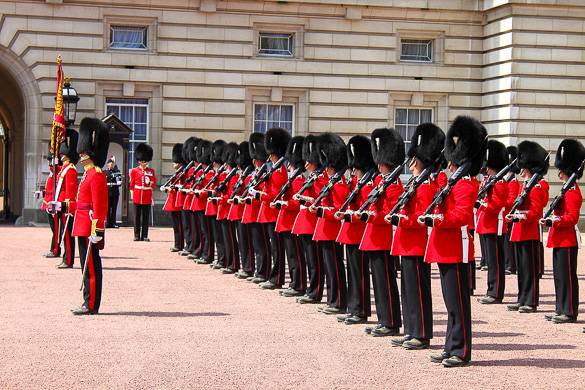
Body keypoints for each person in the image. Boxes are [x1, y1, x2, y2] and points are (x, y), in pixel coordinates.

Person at [423, 115, 486, 367]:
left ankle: (461, 350)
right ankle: (450, 346)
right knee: (449, 302)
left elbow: (460, 215)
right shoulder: (449, 182)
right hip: (443, 246)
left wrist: (437, 220)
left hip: (456, 247)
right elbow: (435, 196)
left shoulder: (467, 185)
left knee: (458, 303)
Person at [389, 123, 444, 349]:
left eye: (414, 161)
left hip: (417, 242)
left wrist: (402, 220)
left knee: (418, 291)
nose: (411, 165)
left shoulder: (426, 186)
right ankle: (411, 329)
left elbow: (421, 216)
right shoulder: (415, 182)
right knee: (408, 290)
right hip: (406, 242)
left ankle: (421, 333)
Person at [360, 128, 404, 337]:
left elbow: (388, 212)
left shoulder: (393, 184)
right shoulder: (379, 181)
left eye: (382, 161)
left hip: (382, 237)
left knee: (386, 281)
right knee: (377, 283)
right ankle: (382, 319)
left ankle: (391, 322)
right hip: (372, 237)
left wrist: (371, 216)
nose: (379, 165)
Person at [541, 139, 584, 324]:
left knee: (567, 277)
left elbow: (572, 218)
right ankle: (560, 308)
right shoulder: (566, 190)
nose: (558, 174)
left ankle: (569, 311)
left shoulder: (573, 192)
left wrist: (553, 221)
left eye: (561, 170)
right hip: (560, 239)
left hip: (567, 240)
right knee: (559, 277)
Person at [335, 135, 376, 325]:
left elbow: (365, 211)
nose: (353, 170)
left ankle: (360, 310)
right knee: (352, 273)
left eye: (355, 167)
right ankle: (353, 307)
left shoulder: (367, 185)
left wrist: (350, 215)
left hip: (358, 233)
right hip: (350, 233)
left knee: (359, 274)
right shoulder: (355, 183)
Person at [70, 117, 109, 315]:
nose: (81, 153)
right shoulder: (87, 174)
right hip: (82, 224)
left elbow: (100, 205)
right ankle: (87, 300)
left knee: (91, 266)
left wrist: (98, 229)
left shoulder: (97, 174)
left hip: (90, 226)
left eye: (84, 150)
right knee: (85, 264)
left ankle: (91, 303)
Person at [506, 141, 549, 314]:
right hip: (519, 232)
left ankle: (530, 301)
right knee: (522, 270)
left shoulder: (537, 187)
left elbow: (535, 212)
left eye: (523, 167)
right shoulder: (525, 185)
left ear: (530, 167)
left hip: (529, 232)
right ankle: (522, 298)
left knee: (529, 269)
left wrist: (517, 217)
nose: (521, 170)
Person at [309, 133, 349, 315]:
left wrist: (321, 210)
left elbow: (339, 209)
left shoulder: (339, 182)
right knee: (329, 266)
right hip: (325, 228)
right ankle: (333, 300)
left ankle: (339, 301)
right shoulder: (330, 179)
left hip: (332, 229)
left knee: (335, 266)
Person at [272, 136, 307, 296]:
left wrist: (285, 203)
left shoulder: (298, 178)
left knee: (295, 256)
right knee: (291, 255)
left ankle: (298, 284)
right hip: (286, 220)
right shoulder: (291, 177)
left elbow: (297, 202)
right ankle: (295, 282)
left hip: (292, 220)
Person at [293, 135, 326, 304]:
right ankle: (311, 289)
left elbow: (321, 199)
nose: (305, 164)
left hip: (313, 221)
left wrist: (305, 199)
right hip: (305, 221)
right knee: (309, 259)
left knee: (315, 261)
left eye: (309, 160)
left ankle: (315, 291)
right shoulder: (312, 176)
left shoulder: (320, 177)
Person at [256, 128, 290, 290]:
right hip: (269, 212)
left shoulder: (281, 169)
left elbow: (277, 193)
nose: (270, 155)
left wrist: (262, 194)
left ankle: (277, 278)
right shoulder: (272, 167)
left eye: (272, 152)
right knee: (271, 246)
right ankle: (272, 275)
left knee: (277, 248)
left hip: (275, 212)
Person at [476, 140, 509, 304]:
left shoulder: (500, 183)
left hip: (494, 225)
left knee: (495, 261)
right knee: (490, 261)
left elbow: (495, 206)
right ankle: (491, 289)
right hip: (485, 225)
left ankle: (496, 292)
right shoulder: (489, 180)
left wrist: (480, 204)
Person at [48, 129, 79, 269]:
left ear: (67, 155)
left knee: (67, 235)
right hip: (60, 205)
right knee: (63, 233)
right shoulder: (64, 168)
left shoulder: (71, 169)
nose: (61, 156)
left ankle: (69, 259)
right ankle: (66, 258)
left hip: (66, 207)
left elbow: (71, 191)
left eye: (62, 154)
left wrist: (67, 208)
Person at [129, 143, 156, 242]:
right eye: (141, 161)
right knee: (136, 217)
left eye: (144, 161)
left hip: (147, 196)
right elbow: (131, 184)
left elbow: (154, 183)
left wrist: (151, 183)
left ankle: (144, 235)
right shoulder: (134, 171)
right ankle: (136, 235)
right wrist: (132, 194)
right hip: (137, 195)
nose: (143, 163)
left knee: (145, 217)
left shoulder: (151, 171)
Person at [162, 143, 185, 252]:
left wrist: (173, 188)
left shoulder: (183, 173)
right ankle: (177, 244)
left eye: (175, 161)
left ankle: (180, 245)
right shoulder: (177, 173)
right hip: (174, 202)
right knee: (176, 226)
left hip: (179, 202)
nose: (173, 163)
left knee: (180, 225)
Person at [40, 154, 61, 258]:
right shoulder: (51, 173)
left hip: (53, 204)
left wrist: (55, 163)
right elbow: (49, 190)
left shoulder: (56, 172)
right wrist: (42, 193)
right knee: (54, 229)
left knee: (55, 229)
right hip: (48, 204)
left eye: (51, 161)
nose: (49, 163)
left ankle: (55, 250)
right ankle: (54, 249)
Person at [504, 146, 521, 274]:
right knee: (506, 241)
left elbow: (511, 199)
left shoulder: (513, 182)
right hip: (504, 214)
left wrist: (501, 204)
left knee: (509, 241)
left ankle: (511, 265)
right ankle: (507, 263)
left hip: (509, 213)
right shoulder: (506, 180)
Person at [105, 156, 122, 228]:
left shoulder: (117, 172)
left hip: (115, 192)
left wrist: (118, 179)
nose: (111, 165)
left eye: (112, 164)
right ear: (108, 164)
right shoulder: (105, 172)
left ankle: (113, 223)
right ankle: (108, 223)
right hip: (108, 192)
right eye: (110, 164)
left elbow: (119, 182)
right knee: (108, 209)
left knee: (114, 208)